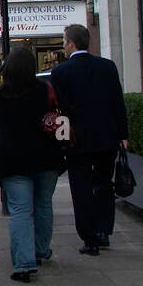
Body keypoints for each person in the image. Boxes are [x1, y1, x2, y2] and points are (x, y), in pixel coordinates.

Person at [0, 45, 64, 282]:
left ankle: (24, 264)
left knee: (20, 210)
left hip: (11, 159)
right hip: (46, 156)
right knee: (43, 205)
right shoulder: (45, 90)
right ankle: (40, 250)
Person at [50, 23, 128, 255]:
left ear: (72, 43)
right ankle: (104, 231)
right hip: (107, 137)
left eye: (64, 41)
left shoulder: (60, 72)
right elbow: (118, 103)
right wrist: (123, 135)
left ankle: (89, 238)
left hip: (77, 140)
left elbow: (59, 110)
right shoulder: (107, 67)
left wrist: (60, 139)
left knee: (81, 188)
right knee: (104, 183)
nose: (63, 46)